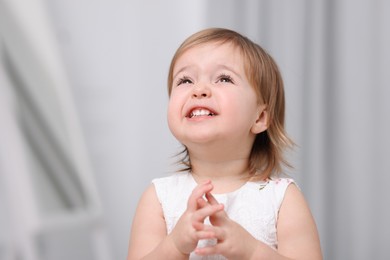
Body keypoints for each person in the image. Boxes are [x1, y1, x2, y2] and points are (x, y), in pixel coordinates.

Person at [127, 28, 322, 259]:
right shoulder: (158, 198)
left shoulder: (282, 199)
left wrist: (252, 251)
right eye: (185, 80)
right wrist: (175, 246)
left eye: (224, 78)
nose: (199, 90)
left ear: (259, 117)